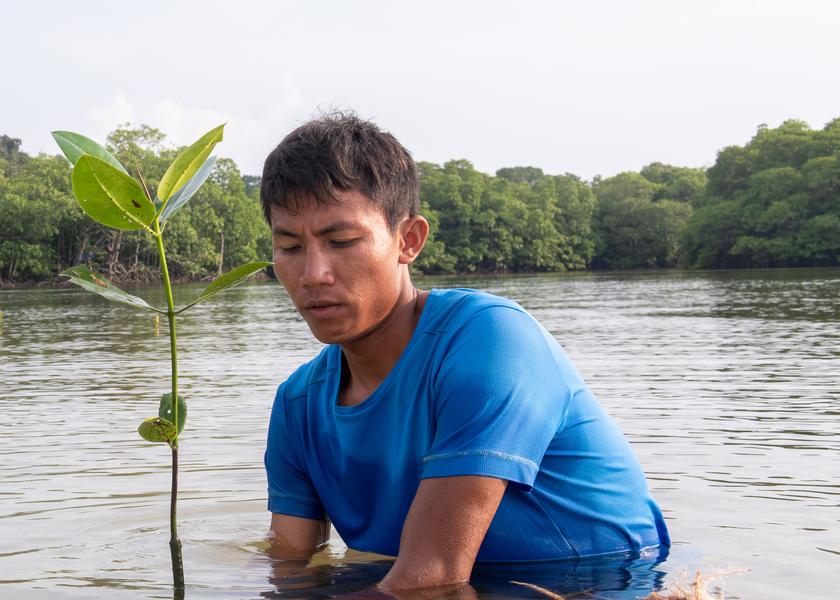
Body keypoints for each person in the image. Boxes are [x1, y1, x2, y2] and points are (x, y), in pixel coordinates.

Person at [260, 113, 668, 597]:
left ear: (408, 241)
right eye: (289, 246)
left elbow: (430, 578)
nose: (313, 273)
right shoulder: (298, 404)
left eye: (342, 241)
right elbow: (290, 567)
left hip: (605, 583)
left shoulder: (488, 340)